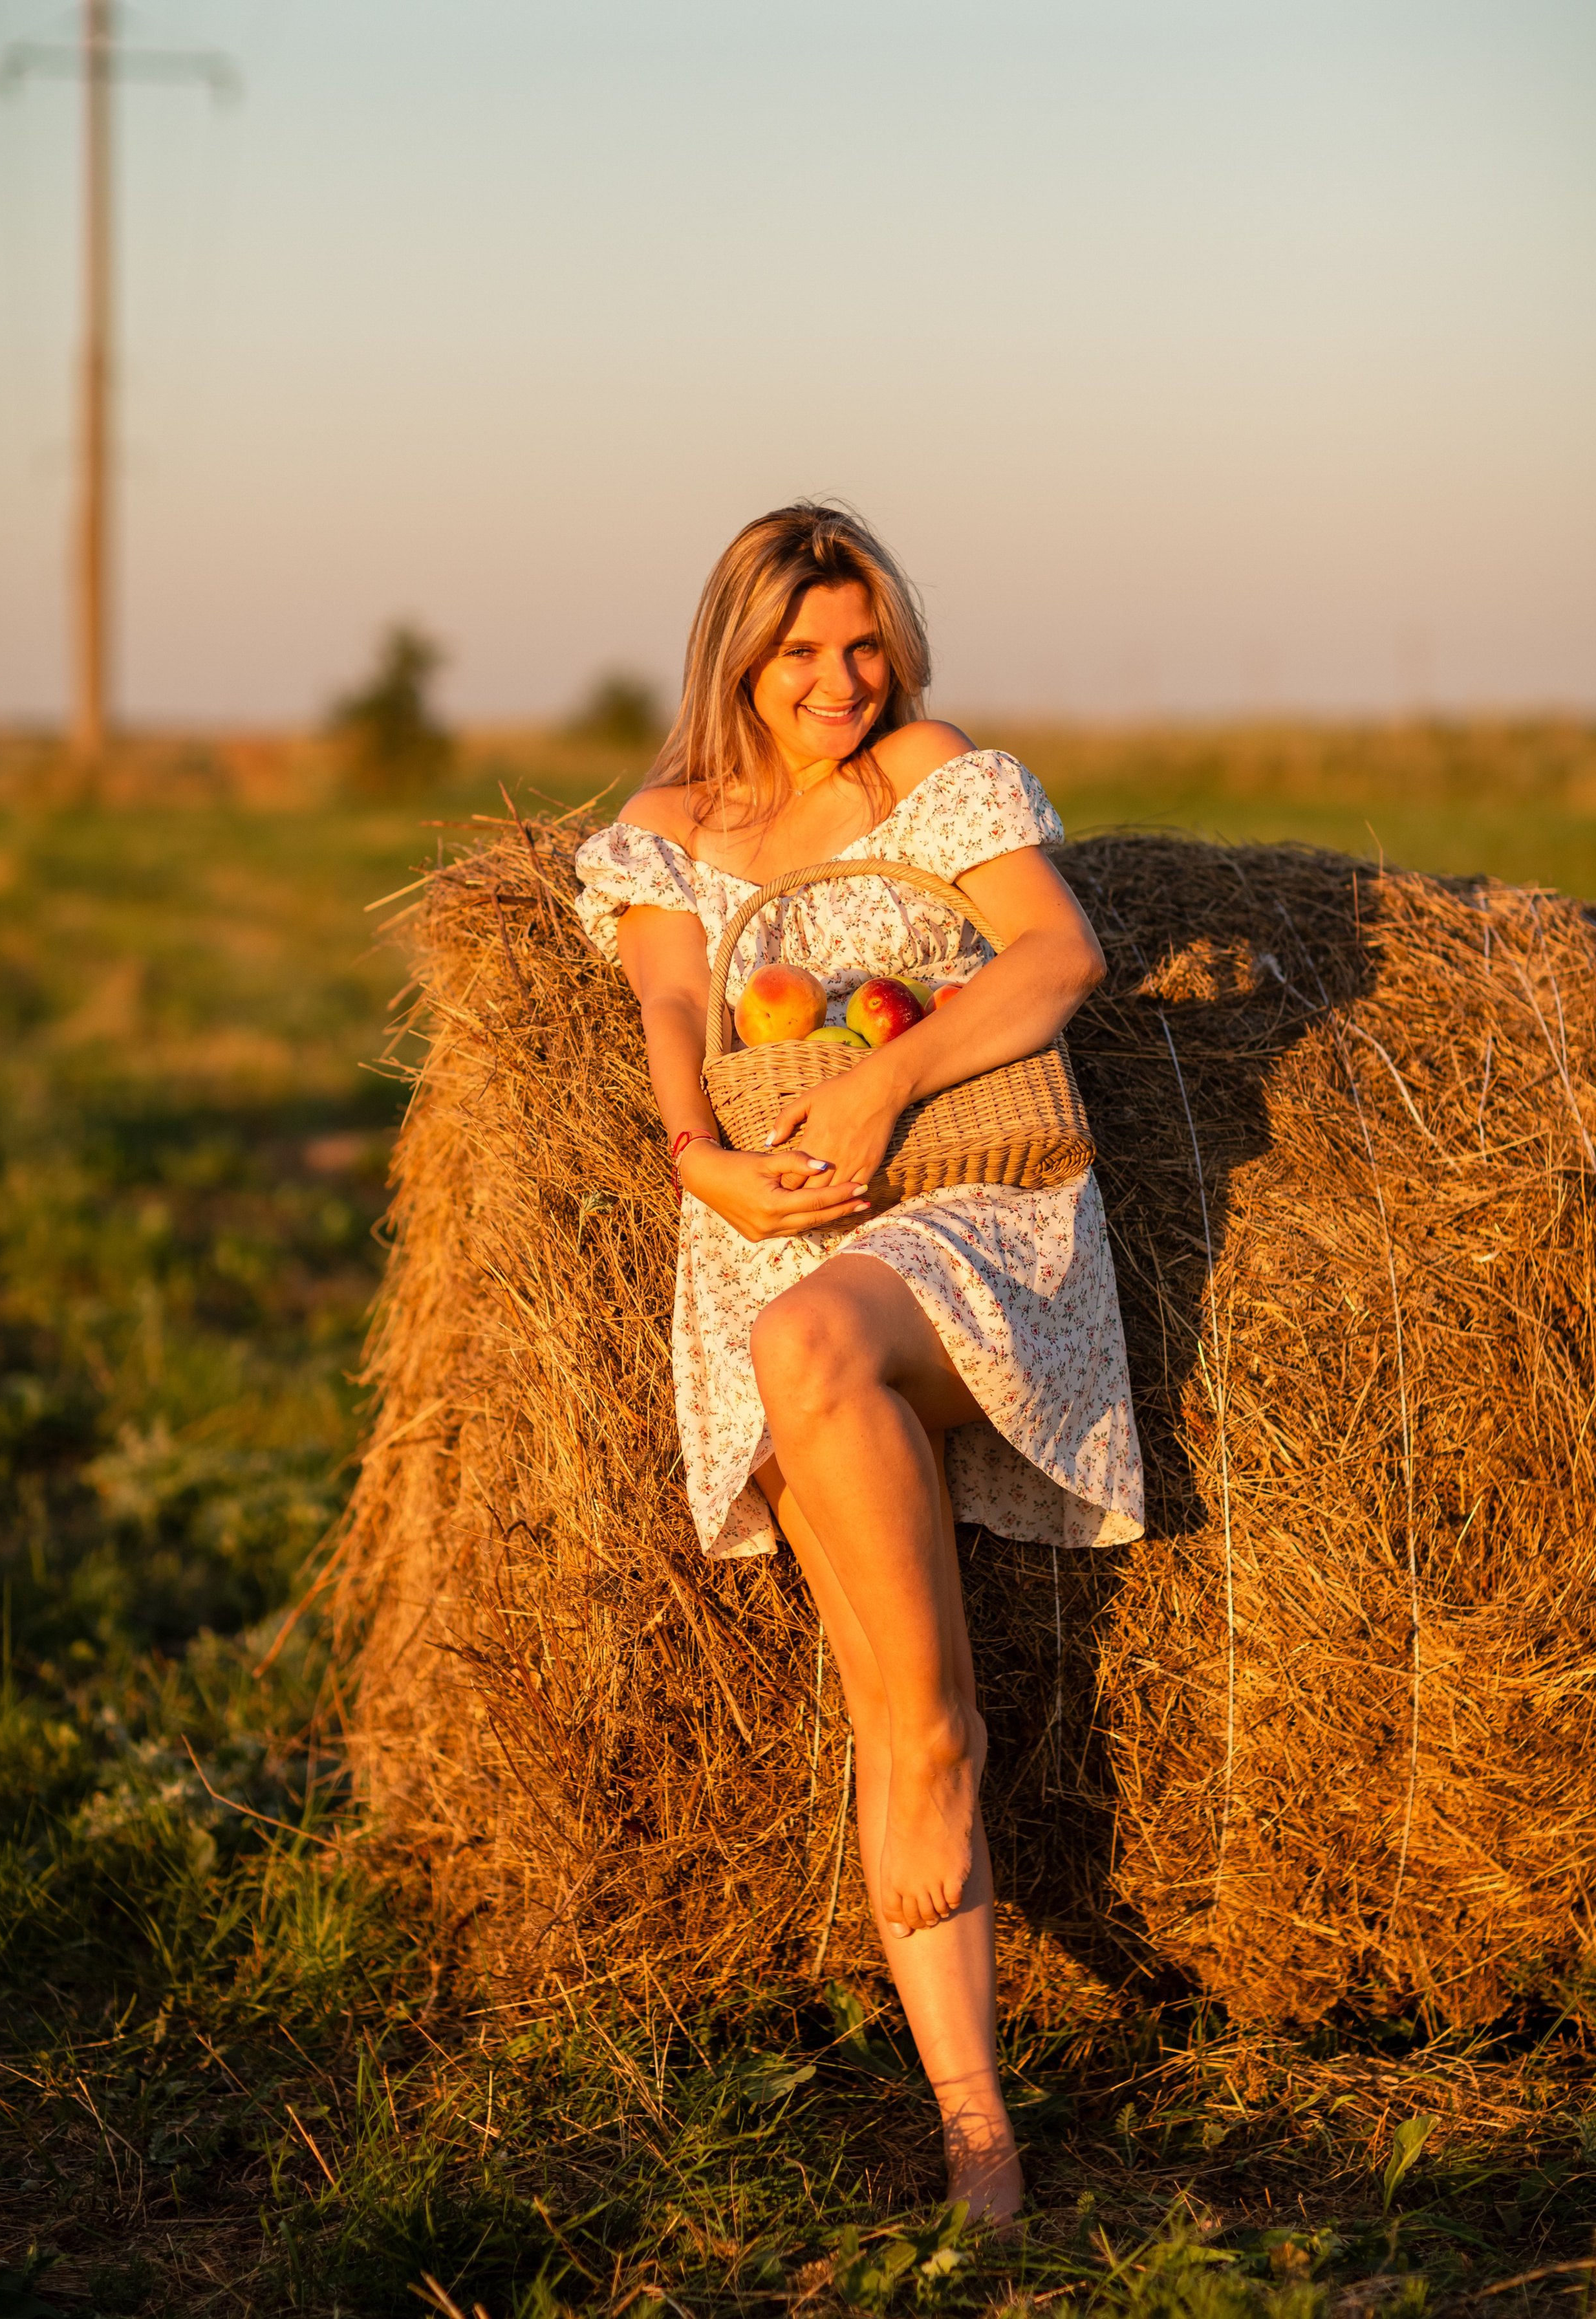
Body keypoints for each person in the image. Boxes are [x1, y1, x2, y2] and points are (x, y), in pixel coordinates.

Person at [574, 503, 1143, 2222]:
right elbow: (679, 1015)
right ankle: (979, 2125)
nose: (842, 680)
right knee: (905, 1710)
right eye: (802, 650)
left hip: (981, 1217)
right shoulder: (669, 830)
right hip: (768, 1236)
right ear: (736, 655)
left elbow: (1059, 953)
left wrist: (886, 1082)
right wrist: (701, 1156)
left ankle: (935, 1730)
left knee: (810, 1331)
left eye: (864, 641)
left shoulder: (931, 773)